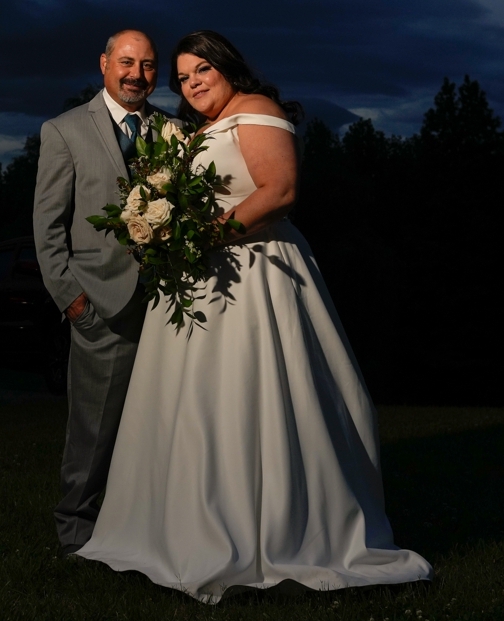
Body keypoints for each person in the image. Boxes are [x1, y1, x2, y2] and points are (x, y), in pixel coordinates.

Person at [75, 30, 432, 602]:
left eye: (201, 72)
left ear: (227, 68)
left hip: (256, 273)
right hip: (200, 278)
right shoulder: (197, 130)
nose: (191, 84)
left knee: (254, 393)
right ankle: (184, 524)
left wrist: (202, 236)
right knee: (195, 404)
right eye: (183, 77)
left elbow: (280, 191)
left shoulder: (257, 111)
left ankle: (272, 527)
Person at [32, 28, 171, 555]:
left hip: (167, 308)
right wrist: (75, 303)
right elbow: (48, 230)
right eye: (128, 63)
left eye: (150, 65)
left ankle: (145, 527)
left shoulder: (174, 130)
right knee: (93, 433)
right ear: (105, 64)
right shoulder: (64, 131)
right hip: (101, 310)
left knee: (163, 424)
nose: (138, 75)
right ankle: (76, 533)